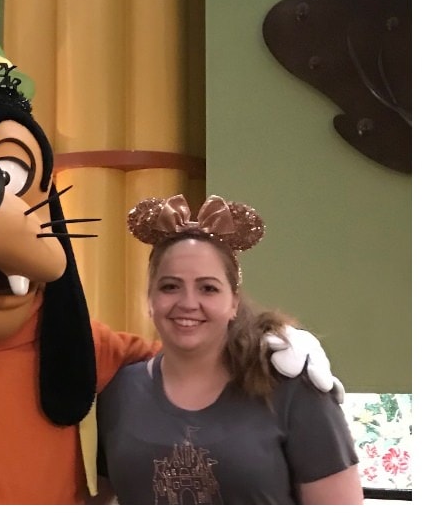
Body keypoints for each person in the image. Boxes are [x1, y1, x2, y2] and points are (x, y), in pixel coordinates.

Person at [96, 194, 362, 505]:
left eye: (208, 288)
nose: (188, 303)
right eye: (170, 286)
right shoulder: (118, 392)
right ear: (150, 299)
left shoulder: (294, 388)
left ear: (233, 302)